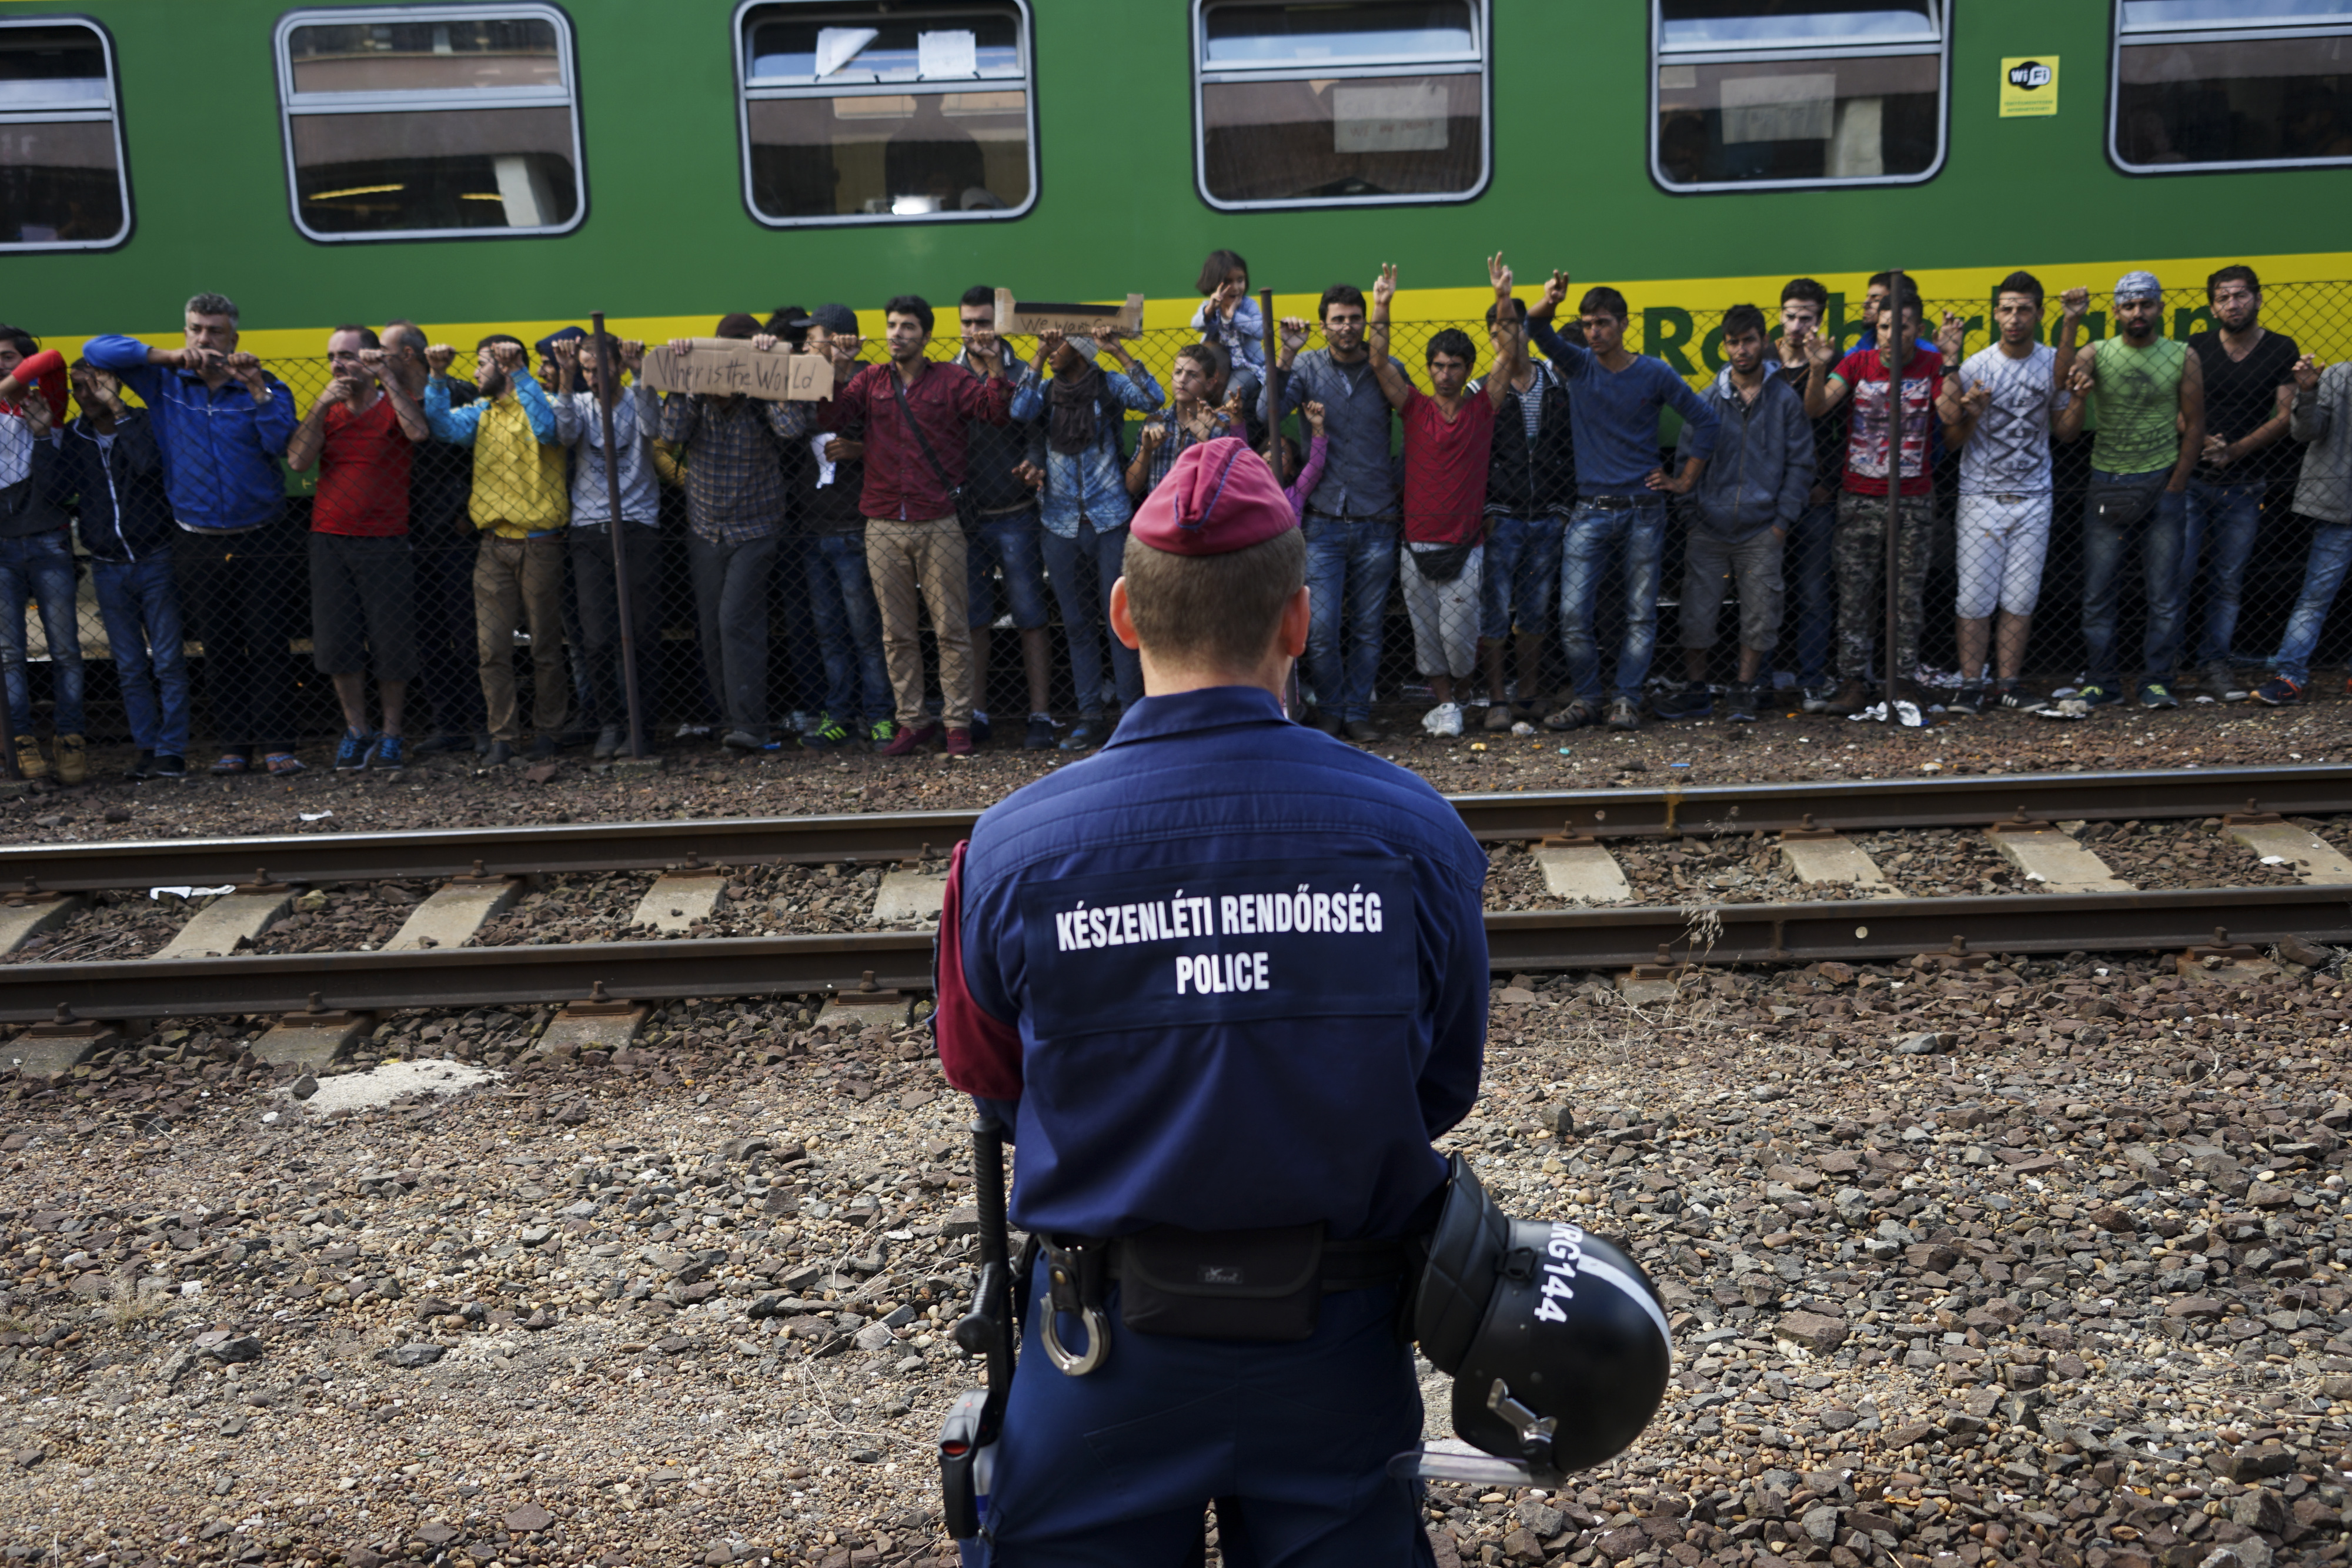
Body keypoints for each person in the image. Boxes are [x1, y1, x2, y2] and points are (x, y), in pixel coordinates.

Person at [931, 434, 1487, 1561]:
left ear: (1127, 614)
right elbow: (1439, 1080)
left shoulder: (1009, 850)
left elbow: (988, 1078)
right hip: (1337, 1348)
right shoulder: (1416, 833)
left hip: (1101, 1354)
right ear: (1300, 619)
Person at [85, 294, 302, 775]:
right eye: (196, 330)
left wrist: (258, 390)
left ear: (234, 338)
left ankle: (278, 746)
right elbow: (95, 349)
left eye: (215, 331)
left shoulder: (268, 385)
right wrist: (166, 356)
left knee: (268, 643)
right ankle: (233, 747)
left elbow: (280, 445)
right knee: (218, 646)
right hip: (196, 537)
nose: (204, 339)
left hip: (262, 535)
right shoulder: (165, 382)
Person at [816, 295, 1017, 758]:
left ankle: (957, 723)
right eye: (891, 325)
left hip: (940, 519)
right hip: (883, 521)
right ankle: (912, 722)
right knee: (896, 632)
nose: (896, 334)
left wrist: (993, 367)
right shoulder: (868, 379)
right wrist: (838, 368)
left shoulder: (951, 379)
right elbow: (832, 419)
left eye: (907, 327)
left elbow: (996, 413)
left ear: (926, 336)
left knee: (952, 629)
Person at [1527, 272, 1720, 733]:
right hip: (1590, 509)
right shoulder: (1579, 364)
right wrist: (1550, 302)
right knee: (1572, 613)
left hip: (1644, 509)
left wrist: (1683, 480)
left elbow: (1706, 420)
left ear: (1624, 324)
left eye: (1603, 323)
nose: (1594, 332)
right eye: (1588, 323)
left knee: (1640, 613)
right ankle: (1589, 698)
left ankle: (1626, 701)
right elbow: (1534, 329)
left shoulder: (1654, 372)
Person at [1364, 256, 1519, 738]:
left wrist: (1501, 297)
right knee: (1425, 638)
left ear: (1467, 369)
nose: (1445, 373)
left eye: (1454, 366)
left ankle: (1463, 693)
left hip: (1465, 547)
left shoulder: (1482, 408)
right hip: (1416, 545)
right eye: (1438, 365)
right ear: (1429, 368)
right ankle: (1447, 706)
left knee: (1458, 640)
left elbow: (1509, 355)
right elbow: (1377, 360)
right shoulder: (1414, 407)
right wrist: (1381, 305)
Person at [2053, 271, 2207, 710]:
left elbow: (2196, 425)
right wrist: (2070, 322)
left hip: (2163, 482)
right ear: (2117, 311)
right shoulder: (2097, 351)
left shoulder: (2182, 355)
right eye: (2128, 305)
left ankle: (2157, 680)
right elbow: (2061, 377)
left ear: (2159, 308)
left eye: (2146, 304)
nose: (2137, 312)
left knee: (2164, 593)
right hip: (2107, 481)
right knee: (2098, 592)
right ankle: (2102, 680)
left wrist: (2177, 484)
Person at [1654, 304, 1812, 726]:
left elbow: (1801, 464)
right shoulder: (1706, 400)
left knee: (1761, 612)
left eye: (1749, 340)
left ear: (1764, 341)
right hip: (1707, 527)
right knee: (1695, 614)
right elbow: (1686, 458)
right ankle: (1697, 691)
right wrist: (1690, 517)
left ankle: (1743, 689)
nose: (1741, 350)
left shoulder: (1785, 400)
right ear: (1724, 345)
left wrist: (1782, 522)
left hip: (1763, 529)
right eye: (1733, 342)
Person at [657, 315, 807, 754]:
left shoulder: (760, 401)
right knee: (711, 630)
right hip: (705, 528)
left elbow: (792, 428)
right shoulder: (697, 400)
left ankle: (750, 726)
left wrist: (766, 371)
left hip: (757, 527)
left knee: (735, 620)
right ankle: (733, 721)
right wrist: (687, 379)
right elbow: (668, 434)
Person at [1008, 326, 1164, 750]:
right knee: (1077, 624)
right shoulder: (1044, 389)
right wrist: (1039, 355)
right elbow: (1019, 411)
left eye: (1057, 344)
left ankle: (1133, 715)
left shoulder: (1108, 385)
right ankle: (1090, 715)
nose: (1050, 350)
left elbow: (1153, 399)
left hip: (1109, 518)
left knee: (1120, 623)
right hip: (1059, 523)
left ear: (1079, 348)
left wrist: (1119, 353)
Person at [1937, 275, 2087, 714]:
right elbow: (1951, 440)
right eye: (2006, 309)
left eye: (2024, 309)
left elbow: (2066, 433)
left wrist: (2078, 401)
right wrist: (1972, 413)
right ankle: (1970, 684)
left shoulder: (2053, 364)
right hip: (1981, 496)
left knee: (2021, 597)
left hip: (2035, 496)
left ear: (2040, 313)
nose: (2014, 318)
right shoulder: (1976, 366)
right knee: (1974, 597)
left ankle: (2007, 684)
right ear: (1995, 314)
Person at [285, 326, 430, 771]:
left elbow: (418, 433)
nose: (337, 365)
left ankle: (391, 735)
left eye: (347, 356)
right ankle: (356, 730)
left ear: (368, 357)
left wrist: (386, 377)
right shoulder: (327, 411)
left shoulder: (392, 403)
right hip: (330, 538)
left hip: (385, 540)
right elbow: (297, 461)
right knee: (337, 642)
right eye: (332, 356)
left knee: (390, 643)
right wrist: (322, 403)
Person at [424, 332, 572, 767]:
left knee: (545, 645)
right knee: (491, 649)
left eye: (482, 364)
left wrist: (521, 374)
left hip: (540, 544)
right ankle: (502, 736)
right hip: (491, 546)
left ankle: (549, 731)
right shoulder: (482, 414)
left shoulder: (538, 405)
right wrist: (436, 377)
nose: (474, 372)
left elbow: (549, 431)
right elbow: (442, 427)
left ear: (506, 367)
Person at [1801, 285, 1947, 714]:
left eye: (1900, 328)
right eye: (1884, 327)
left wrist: (1951, 360)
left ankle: (1902, 682)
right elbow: (1817, 407)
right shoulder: (1857, 362)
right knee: (1854, 594)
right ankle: (1852, 683)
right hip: (1859, 498)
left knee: (1906, 599)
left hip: (1914, 501)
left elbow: (1953, 414)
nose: (1890, 336)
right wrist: (1815, 369)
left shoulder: (1933, 364)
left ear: (1917, 330)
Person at [1265, 284, 1400, 741]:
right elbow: (1273, 411)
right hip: (1322, 520)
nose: (1347, 327)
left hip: (1377, 516)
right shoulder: (1305, 365)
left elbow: (1417, 415)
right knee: (1320, 629)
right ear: (1323, 325)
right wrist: (1286, 354)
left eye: (1355, 318)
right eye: (1338, 319)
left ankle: (1357, 713)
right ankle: (1333, 709)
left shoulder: (1388, 369)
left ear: (1366, 322)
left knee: (1368, 627)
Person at [57, 360, 188, 779]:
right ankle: (147, 747)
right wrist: (44, 435)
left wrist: (119, 409)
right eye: (79, 388)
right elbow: (59, 490)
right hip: (109, 565)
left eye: (96, 385)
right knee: (130, 666)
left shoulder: (144, 422)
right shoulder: (76, 437)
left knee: (168, 660)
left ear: (113, 385)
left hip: (155, 557)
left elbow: (150, 465)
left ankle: (172, 750)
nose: (87, 394)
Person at [2181, 265, 2300, 700]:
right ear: (2212, 306)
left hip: (2246, 484)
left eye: (2241, 295)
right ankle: (2167, 666)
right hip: (2191, 479)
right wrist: (2200, 438)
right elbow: (2173, 404)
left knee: (2227, 581)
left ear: (2258, 298)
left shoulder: (2281, 349)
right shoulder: (2195, 347)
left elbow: (2286, 417)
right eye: (2224, 297)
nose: (2233, 304)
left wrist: (2235, 450)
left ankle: (2215, 665)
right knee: (2177, 573)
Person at [547, 332, 663, 761]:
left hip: (637, 525)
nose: (594, 378)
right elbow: (562, 436)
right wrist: (566, 378)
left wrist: (642, 374)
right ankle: (610, 722)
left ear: (617, 365)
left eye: (601, 368)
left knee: (644, 634)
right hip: (589, 529)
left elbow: (655, 427)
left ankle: (642, 726)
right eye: (588, 370)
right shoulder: (578, 403)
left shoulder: (636, 397)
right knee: (597, 638)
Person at [953, 287, 1056, 751]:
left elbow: (1037, 434)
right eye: (969, 323)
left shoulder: (1022, 373)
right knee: (974, 618)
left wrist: (1035, 462)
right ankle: (976, 714)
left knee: (1031, 616)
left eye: (984, 322)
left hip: (1018, 514)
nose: (977, 331)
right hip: (968, 520)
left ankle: (1040, 715)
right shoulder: (949, 378)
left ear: (1000, 324)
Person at [383, 319, 489, 757]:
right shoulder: (389, 400)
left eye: (385, 350)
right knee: (426, 634)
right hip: (412, 533)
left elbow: (484, 459)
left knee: (468, 634)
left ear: (408, 354)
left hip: (456, 533)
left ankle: (484, 725)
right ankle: (449, 724)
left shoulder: (461, 393)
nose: (376, 357)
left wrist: (466, 513)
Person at [1469, 295, 1574, 733]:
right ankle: (1497, 698)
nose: (1504, 338)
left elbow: (1570, 448)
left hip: (1547, 515)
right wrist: (1484, 511)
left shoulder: (1555, 384)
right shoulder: (1481, 391)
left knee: (1534, 610)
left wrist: (1565, 507)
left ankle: (1527, 695)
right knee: (1492, 611)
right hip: (1503, 517)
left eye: (1512, 328)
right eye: (1497, 331)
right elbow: (1473, 459)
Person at [791, 305, 893, 750]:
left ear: (835, 340)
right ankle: (840, 714)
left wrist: (860, 448)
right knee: (829, 629)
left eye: (812, 340)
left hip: (855, 526)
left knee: (866, 630)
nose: (805, 348)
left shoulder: (871, 381)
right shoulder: (801, 382)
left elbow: (896, 442)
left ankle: (880, 715)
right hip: (814, 529)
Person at [0, 328, 78, 783]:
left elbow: (51, 357)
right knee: (10, 653)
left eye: (8, 357)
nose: (1, 365)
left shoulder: (44, 402)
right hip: (3, 547)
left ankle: (71, 741)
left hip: (48, 540)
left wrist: (42, 430)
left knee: (66, 649)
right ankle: (22, 744)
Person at [2254, 351, 2352, 706]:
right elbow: (2306, 431)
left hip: (2339, 504)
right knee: (2315, 598)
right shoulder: (2341, 375)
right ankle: (2290, 677)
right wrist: (2307, 391)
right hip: (2342, 507)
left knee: (2314, 599)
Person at [1775, 279, 1844, 710]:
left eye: (1807, 318)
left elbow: (1842, 433)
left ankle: (1812, 677)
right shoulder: (1761, 360)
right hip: (1770, 498)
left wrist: (1830, 483)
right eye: (1790, 316)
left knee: (1814, 592)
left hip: (1817, 496)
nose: (1798, 325)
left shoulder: (1837, 366)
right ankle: (1764, 677)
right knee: (1765, 590)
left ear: (1820, 321)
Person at [1127, 344, 1235, 499]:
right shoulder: (1156, 420)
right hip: (1160, 515)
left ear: (1209, 383)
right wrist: (1146, 450)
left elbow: (1219, 486)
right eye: (1178, 372)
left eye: (1192, 375)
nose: (1183, 380)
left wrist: (1202, 440)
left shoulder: (1220, 425)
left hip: (1201, 515)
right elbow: (1132, 487)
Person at [1192, 248, 1265, 413]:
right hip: (1217, 368)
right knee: (1196, 392)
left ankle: (1232, 431)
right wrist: (1211, 309)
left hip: (1247, 367)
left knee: (1230, 396)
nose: (1236, 287)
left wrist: (1235, 318)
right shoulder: (1210, 306)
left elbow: (1260, 331)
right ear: (1214, 283)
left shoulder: (1248, 305)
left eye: (1240, 280)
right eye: (1228, 282)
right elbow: (1196, 325)